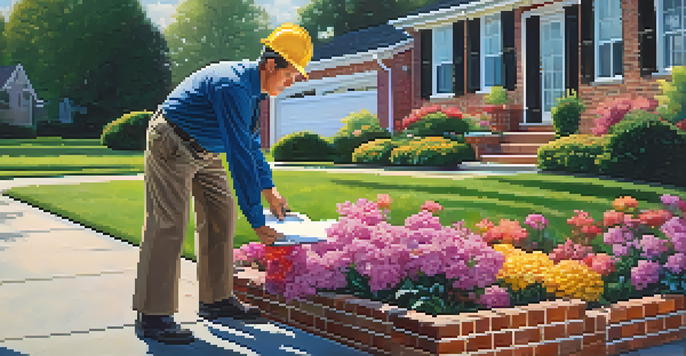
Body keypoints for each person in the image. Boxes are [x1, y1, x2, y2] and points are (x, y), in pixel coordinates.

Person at [132, 23, 313, 345]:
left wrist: (268, 188)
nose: (290, 82)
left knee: (220, 218)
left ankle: (215, 300)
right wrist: (258, 221)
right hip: (172, 141)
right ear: (271, 64)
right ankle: (153, 316)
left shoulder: (254, 90)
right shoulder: (233, 86)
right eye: (289, 74)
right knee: (169, 223)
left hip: (206, 149)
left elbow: (251, 142)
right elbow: (240, 157)